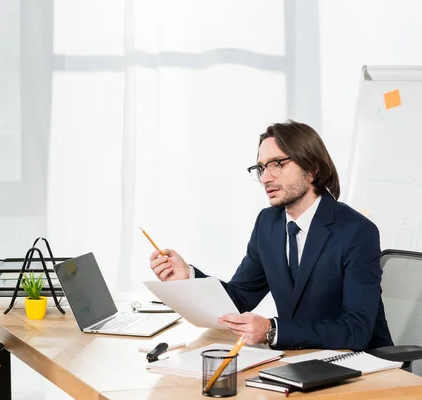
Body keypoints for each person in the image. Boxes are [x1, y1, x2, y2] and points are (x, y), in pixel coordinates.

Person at [149, 120, 393, 351]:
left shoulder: (357, 231)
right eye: (261, 167)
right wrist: (188, 277)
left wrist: (272, 330)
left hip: (362, 366)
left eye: (277, 164)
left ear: (311, 170)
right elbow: (238, 298)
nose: (266, 178)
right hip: (301, 359)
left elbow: (357, 329)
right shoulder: (268, 224)